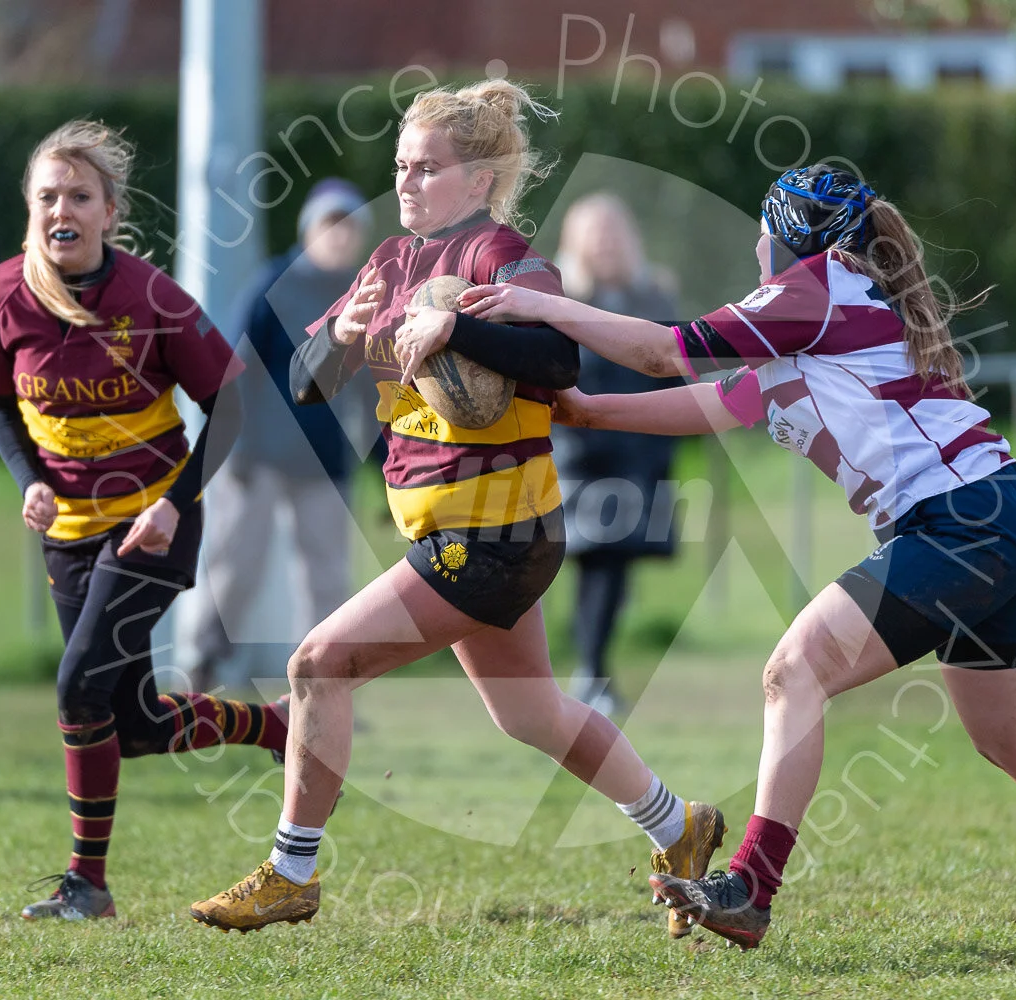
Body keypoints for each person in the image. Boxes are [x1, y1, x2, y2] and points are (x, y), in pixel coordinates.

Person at [458, 164, 1016, 954]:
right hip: (997, 514)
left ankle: (749, 888)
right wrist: (585, 409)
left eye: (763, 232)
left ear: (792, 238)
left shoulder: (819, 285)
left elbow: (668, 354)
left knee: (794, 670)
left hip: (962, 524)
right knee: (1011, 739)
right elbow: (710, 403)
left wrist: (538, 304)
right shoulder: (806, 327)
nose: (756, 248)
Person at [189, 80, 722, 941]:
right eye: (400, 165)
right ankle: (679, 826)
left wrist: (454, 331)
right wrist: (342, 336)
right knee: (532, 717)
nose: (405, 182)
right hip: (464, 529)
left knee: (319, 663)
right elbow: (304, 385)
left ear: (478, 181)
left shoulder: (502, 255)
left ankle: (291, 872)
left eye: (428, 168)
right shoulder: (389, 264)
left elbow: (556, 360)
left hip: (498, 532)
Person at [0, 120, 291, 921]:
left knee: (77, 688)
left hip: (153, 525)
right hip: (67, 529)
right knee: (132, 723)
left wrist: (177, 504)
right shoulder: (2, 293)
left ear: (111, 212)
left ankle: (88, 886)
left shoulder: (152, 298)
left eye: (79, 194)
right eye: (47, 195)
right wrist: (27, 482)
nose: (60, 208)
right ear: (29, 208)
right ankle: (278, 727)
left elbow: (232, 405)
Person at [174, 179, 375, 691]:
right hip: (256, 455)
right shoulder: (275, 283)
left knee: (327, 579)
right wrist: (233, 446)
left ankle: (318, 685)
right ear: (308, 229)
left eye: (348, 226)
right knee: (236, 565)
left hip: (324, 459)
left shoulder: (363, 296)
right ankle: (203, 667)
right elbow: (234, 367)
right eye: (329, 224)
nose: (338, 236)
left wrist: (385, 455)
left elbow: (375, 387)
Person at [551, 193, 681, 717]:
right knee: (595, 564)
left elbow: (674, 372)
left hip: (639, 458)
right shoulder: (558, 299)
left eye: (613, 231)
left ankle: (591, 673)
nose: (604, 242)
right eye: (594, 231)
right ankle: (586, 675)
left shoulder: (654, 297)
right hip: (581, 458)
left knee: (612, 568)